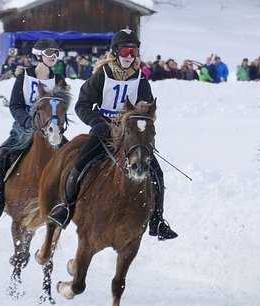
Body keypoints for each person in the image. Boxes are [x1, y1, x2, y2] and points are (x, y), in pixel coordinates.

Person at [46, 29, 178, 240]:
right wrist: (96, 121)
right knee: (80, 164)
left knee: (157, 174)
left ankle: (157, 221)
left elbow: (148, 112)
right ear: (115, 52)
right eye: (125, 51)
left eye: (133, 52)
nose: (129, 57)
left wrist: (141, 120)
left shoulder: (141, 80)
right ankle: (66, 208)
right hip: (104, 130)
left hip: (130, 136)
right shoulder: (102, 76)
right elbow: (82, 105)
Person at [0, 39, 65, 220]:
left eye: (57, 53)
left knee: (69, 155)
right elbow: (15, 105)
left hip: (50, 128)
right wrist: (28, 122)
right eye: (50, 53)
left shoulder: (58, 79)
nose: (54, 57)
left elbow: (61, 106)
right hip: (24, 127)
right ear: (39, 55)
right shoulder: (24, 77)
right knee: (4, 154)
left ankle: (64, 203)